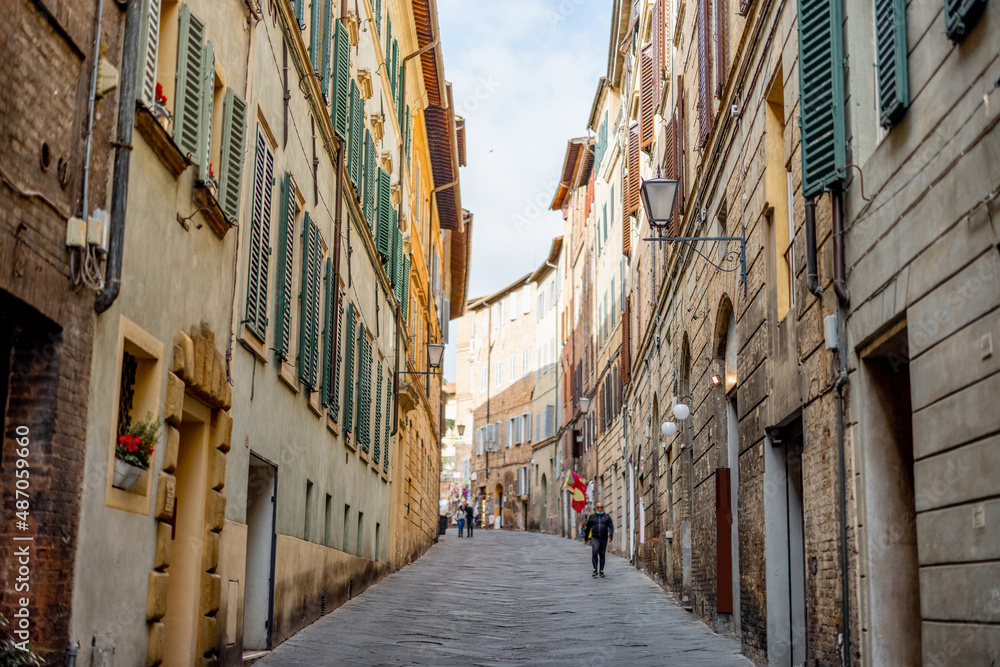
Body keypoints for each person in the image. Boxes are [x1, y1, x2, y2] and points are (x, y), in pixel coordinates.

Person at [584, 502, 614, 577]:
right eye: (598, 507)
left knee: (602, 554)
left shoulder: (607, 516)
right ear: (596, 509)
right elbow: (588, 527)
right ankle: (595, 569)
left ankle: (601, 570)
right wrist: (586, 537)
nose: (600, 509)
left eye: (601, 507)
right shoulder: (592, 517)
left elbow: (611, 526)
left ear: (603, 508)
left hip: (604, 538)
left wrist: (610, 536)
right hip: (595, 537)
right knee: (595, 551)